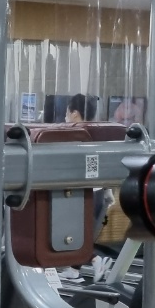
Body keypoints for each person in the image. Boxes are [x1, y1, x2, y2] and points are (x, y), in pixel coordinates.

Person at [64, 94, 115, 241]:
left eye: (67, 113)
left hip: (78, 196)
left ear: (74, 114)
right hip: (97, 194)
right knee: (86, 239)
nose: (65, 118)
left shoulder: (72, 137)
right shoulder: (98, 135)